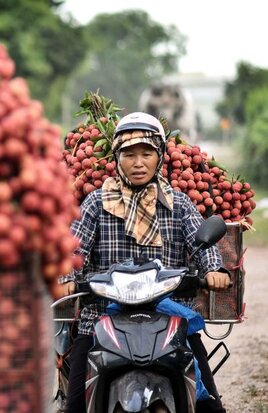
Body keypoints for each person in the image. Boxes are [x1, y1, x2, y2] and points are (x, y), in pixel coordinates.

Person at [59, 112, 230, 413]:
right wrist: (66, 277)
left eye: (146, 153)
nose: (138, 163)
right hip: (101, 317)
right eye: (129, 154)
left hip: (169, 317)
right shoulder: (97, 203)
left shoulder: (178, 203)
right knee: (75, 405)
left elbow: (200, 243)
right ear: (117, 158)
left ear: (160, 157)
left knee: (208, 402)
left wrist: (214, 269)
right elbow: (74, 248)